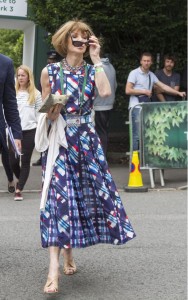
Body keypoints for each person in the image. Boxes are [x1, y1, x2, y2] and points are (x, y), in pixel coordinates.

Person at [37, 19, 136, 294]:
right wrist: (51, 111)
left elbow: (105, 93)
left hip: (86, 141)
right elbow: (43, 109)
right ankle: (53, 271)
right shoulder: (50, 71)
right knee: (59, 200)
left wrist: (96, 57)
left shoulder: (94, 71)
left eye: (85, 38)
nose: (80, 42)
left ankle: (69, 253)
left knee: (81, 196)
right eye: (75, 38)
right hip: (59, 141)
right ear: (64, 40)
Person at [125, 52, 186, 151]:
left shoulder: (151, 75)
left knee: (147, 135)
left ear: (151, 62)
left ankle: (144, 162)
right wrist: (144, 91)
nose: (146, 63)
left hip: (147, 108)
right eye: (144, 61)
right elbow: (128, 90)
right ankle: (135, 163)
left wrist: (178, 93)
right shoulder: (134, 73)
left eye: (148, 61)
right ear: (141, 61)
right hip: (136, 107)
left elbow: (163, 87)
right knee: (136, 135)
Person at [9, 65, 42, 201]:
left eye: (23, 75)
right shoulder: (12, 92)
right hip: (14, 132)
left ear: (29, 77)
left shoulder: (36, 93)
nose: (20, 78)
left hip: (30, 131)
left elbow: (40, 113)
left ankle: (19, 189)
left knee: (25, 161)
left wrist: (40, 129)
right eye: (18, 75)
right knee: (13, 161)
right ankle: (20, 179)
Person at [32, 50, 62, 166]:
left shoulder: (60, 72)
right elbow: (41, 90)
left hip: (57, 105)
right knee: (45, 131)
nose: (51, 62)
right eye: (49, 61)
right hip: (46, 105)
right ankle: (42, 156)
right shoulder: (45, 72)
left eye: (53, 61)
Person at [0, 53, 22, 192]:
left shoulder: (5, 63)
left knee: (7, 156)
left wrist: (16, 133)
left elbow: (10, 102)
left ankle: (11, 179)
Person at [94, 55, 117, 156]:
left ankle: (101, 157)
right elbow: (115, 85)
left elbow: (95, 88)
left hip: (99, 105)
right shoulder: (111, 67)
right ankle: (102, 155)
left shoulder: (98, 68)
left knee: (100, 132)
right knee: (104, 131)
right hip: (109, 104)